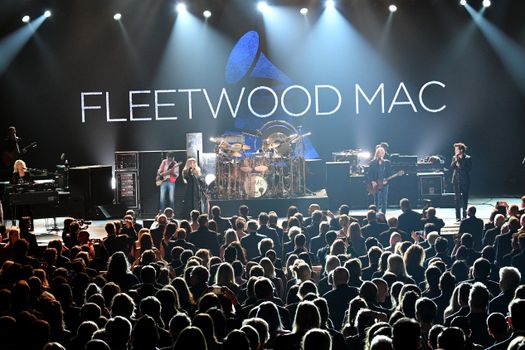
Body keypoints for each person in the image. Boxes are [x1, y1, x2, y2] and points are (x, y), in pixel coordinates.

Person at [451, 142, 472, 221]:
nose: (455, 151)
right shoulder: (454, 157)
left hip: (465, 180)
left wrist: (460, 165)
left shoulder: (468, 158)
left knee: (464, 198)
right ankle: (457, 217)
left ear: (461, 150)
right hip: (456, 180)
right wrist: (456, 160)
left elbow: (469, 169)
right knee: (457, 199)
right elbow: (452, 167)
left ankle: (464, 216)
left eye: (456, 149)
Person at [367, 146, 391, 214]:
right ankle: (376, 214)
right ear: (377, 153)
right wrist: (372, 181)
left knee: (384, 200)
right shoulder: (373, 162)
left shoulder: (387, 162)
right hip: (376, 183)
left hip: (384, 184)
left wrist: (387, 180)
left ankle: (383, 214)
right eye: (380, 153)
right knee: (377, 200)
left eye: (383, 153)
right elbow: (369, 173)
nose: (382, 154)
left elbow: (389, 173)